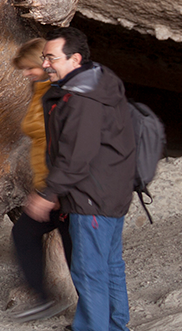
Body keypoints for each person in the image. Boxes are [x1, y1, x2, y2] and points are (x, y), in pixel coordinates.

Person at [25, 27, 138, 331]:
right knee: (109, 265)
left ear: (74, 59)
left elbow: (76, 156)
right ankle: (115, 325)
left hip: (92, 196)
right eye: (44, 57)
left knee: (90, 271)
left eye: (51, 57)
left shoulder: (81, 98)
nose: (46, 63)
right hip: (111, 192)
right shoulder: (98, 82)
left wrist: (48, 193)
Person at [8, 38, 72, 322]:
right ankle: (45, 298)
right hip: (50, 186)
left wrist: (50, 191)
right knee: (25, 234)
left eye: (27, 68)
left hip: (62, 190)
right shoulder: (40, 91)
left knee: (77, 255)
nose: (25, 74)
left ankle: (102, 319)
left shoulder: (55, 93)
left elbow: (64, 145)